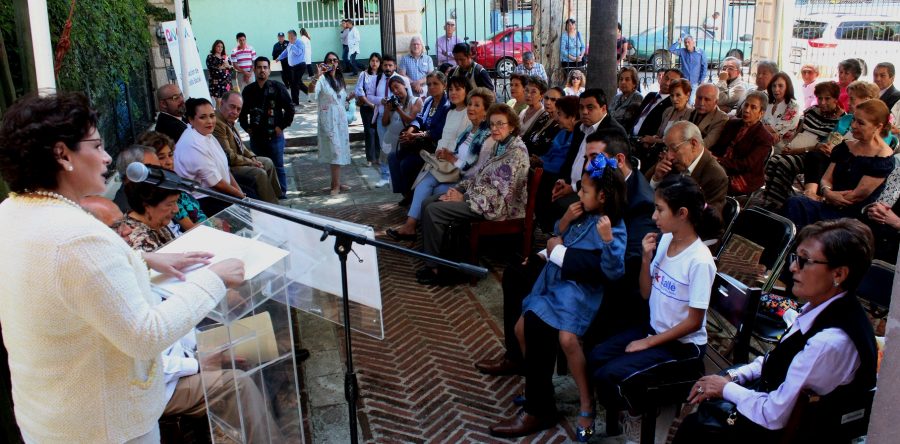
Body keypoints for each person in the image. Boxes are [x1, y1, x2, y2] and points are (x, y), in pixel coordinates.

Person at [0, 92, 244, 443]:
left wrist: (142, 258)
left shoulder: (15, 211)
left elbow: (63, 278)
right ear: (61, 154)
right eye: (96, 145)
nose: (106, 157)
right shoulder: (77, 238)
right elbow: (145, 335)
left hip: (51, 416)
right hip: (104, 426)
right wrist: (213, 278)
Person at [673, 219, 878, 444]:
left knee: (695, 429)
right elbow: (778, 361)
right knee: (700, 408)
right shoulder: (820, 309)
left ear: (838, 274)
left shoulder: (830, 341)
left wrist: (726, 389)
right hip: (774, 405)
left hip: (789, 433)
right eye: (794, 258)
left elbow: (773, 415)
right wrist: (734, 376)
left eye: (804, 261)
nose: (792, 268)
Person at [490, 156, 627, 440]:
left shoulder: (610, 225)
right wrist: (563, 223)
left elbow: (612, 270)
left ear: (602, 196)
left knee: (564, 338)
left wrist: (606, 240)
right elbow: (561, 237)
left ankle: (581, 404)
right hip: (556, 283)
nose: (579, 194)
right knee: (520, 328)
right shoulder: (582, 213)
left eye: (585, 190)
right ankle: (539, 390)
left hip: (578, 293)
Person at [591, 175, 719, 440]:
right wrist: (646, 259)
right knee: (597, 356)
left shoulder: (699, 261)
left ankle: (641, 415)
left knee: (610, 375)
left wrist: (648, 343)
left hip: (683, 347)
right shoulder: (663, 241)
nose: (654, 215)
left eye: (660, 209)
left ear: (682, 213)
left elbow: (694, 322)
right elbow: (647, 292)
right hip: (654, 329)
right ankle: (638, 408)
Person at [417, 104, 529, 285]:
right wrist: (460, 189)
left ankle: (436, 267)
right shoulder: (500, 146)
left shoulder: (515, 152)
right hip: (481, 198)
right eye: (492, 124)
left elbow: (500, 192)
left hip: (497, 207)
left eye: (500, 124)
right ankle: (436, 256)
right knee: (428, 201)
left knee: (434, 210)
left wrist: (463, 198)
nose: (495, 128)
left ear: (512, 126)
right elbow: (480, 176)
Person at [386, 86, 490, 241]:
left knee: (432, 189)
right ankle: (415, 227)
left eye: (477, 105)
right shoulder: (469, 130)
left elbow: (472, 169)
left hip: (466, 182)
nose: (471, 108)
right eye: (470, 104)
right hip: (454, 174)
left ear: (486, 111)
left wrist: (451, 158)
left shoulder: (485, 135)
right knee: (428, 182)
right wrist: (447, 155)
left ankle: (416, 227)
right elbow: (457, 152)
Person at [784, 99, 894, 229]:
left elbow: (856, 196)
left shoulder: (882, 157)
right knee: (793, 203)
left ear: (878, 127)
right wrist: (827, 192)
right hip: (829, 202)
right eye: (854, 119)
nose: (853, 125)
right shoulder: (846, 146)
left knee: (808, 218)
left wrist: (826, 197)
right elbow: (826, 178)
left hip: (851, 217)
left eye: (860, 123)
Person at [759, 81, 845, 211]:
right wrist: (789, 145)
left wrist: (797, 150)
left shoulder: (841, 120)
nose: (822, 102)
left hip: (814, 156)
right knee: (774, 160)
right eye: (820, 98)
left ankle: (778, 203)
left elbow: (822, 147)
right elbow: (799, 131)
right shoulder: (811, 111)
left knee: (783, 163)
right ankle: (770, 200)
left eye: (827, 98)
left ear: (835, 99)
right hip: (796, 149)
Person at [547, 89, 628, 226]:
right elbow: (570, 159)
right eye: (581, 107)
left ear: (603, 109)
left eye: (590, 107)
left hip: (593, 193)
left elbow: (603, 173)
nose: (584, 112)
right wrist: (562, 181)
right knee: (546, 189)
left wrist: (573, 188)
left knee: (560, 204)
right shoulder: (580, 127)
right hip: (573, 185)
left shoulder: (613, 132)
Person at [174, 97, 246, 217]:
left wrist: (241, 194)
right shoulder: (193, 144)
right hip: (202, 201)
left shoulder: (207, 135)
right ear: (191, 120)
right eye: (203, 117)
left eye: (212, 116)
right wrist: (241, 197)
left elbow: (225, 169)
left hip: (218, 193)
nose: (210, 121)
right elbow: (216, 183)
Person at [239, 56, 294, 198]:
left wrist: (281, 127)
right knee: (259, 166)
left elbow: (290, 109)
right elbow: (242, 112)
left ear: (269, 70)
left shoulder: (277, 87)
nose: (262, 70)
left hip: (274, 136)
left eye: (265, 67)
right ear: (254, 70)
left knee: (278, 165)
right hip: (256, 137)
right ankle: (266, 193)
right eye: (259, 67)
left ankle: (281, 194)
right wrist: (247, 128)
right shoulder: (248, 91)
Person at [213, 91, 282, 204]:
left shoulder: (227, 119)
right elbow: (229, 156)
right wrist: (250, 162)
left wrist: (252, 157)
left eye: (238, 109)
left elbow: (241, 145)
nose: (235, 112)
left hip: (238, 159)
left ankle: (276, 198)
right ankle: (271, 206)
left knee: (267, 162)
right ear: (222, 103)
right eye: (232, 107)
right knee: (259, 173)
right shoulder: (218, 123)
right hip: (230, 167)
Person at [393, 71, 451, 201]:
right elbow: (419, 118)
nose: (431, 87)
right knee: (393, 157)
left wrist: (415, 135)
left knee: (407, 163)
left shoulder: (447, 106)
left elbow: (438, 132)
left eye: (435, 84)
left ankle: (411, 196)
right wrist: (411, 130)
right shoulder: (429, 100)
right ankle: (405, 192)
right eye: (429, 84)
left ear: (444, 85)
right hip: (419, 142)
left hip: (433, 146)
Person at [649, 121, 729, 214]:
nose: (669, 156)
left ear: (693, 144)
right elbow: (642, 190)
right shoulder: (669, 162)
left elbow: (709, 220)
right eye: (667, 149)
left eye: (674, 149)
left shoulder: (716, 177)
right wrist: (656, 178)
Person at [137, 131, 208, 230]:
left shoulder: (173, 181)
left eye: (170, 155)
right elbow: (191, 228)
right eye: (161, 157)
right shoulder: (158, 191)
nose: (169, 162)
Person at [710, 91, 775, 195]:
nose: (747, 110)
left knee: (711, 182)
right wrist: (711, 157)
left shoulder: (764, 137)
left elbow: (747, 164)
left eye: (753, 107)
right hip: (719, 165)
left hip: (743, 175)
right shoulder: (732, 123)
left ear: (761, 113)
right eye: (746, 105)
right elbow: (718, 147)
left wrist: (719, 160)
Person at [309, 51, 353, 195]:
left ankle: (338, 183)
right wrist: (317, 76)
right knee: (334, 152)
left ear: (338, 63)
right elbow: (310, 94)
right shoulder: (322, 79)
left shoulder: (340, 80)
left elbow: (341, 100)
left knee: (340, 152)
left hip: (341, 121)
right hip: (328, 120)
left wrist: (349, 99)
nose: (332, 63)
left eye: (335, 60)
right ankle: (335, 186)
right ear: (325, 63)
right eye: (329, 61)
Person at [382, 76, 422, 194]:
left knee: (405, 166)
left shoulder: (416, 100)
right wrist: (387, 109)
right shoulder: (394, 103)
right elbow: (384, 123)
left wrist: (398, 109)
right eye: (392, 89)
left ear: (404, 85)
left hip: (410, 143)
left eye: (397, 87)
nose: (395, 91)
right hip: (394, 142)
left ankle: (408, 194)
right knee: (393, 164)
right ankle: (403, 194)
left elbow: (411, 120)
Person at [122, 181, 179, 252]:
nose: (176, 209)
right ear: (147, 206)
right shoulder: (139, 243)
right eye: (169, 204)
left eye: (176, 202)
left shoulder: (155, 218)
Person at [633, 69, 683, 141]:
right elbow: (637, 116)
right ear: (661, 78)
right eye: (666, 78)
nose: (667, 83)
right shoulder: (650, 95)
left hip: (644, 143)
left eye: (672, 81)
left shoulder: (672, 105)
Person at [641, 78, 693, 147]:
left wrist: (654, 140)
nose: (674, 99)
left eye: (678, 95)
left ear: (687, 95)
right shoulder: (668, 111)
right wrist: (653, 138)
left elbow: (680, 141)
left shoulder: (691, 113)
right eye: (672, 95)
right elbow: (659, 134)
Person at [763, 71, 803, 153]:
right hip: (762, 141)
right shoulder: (767, 102)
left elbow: (778, 132)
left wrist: (761, 127)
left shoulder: (793, 106)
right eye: (774, 86)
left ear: (787, 87)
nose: (776, 89)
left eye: (780, 86)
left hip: (780, 149)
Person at [356, 52, 383, 166]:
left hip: (380, 108)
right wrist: (370, 104)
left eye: (377, 61)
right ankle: (370, 158)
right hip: (367, 108)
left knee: (378, 132)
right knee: (369, 132)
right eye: (372, 61)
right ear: (369, 62)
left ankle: (378, 157)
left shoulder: (382, 75)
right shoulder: (364, 74)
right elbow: (359, 91)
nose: (374, 63)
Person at [522, 84, 562, 156]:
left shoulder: (560, 124)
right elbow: (526, 138)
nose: (548, 102)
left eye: (553, 100)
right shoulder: (543, 117)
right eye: (546, 98)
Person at [688, 83, 729, 148]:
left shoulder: (721, 119)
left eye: (707, 99)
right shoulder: (690, 111)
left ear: (716, 102)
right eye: (699, 98)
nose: (701, 103)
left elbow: (704, 145)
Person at [275, 30, 309, 106]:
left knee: (294, 84)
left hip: (300, 66)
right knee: (298, 83)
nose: (289, 38)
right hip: (293, 67)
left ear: (294, 36)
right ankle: (310, 93)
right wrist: (279, 58)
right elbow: (286, 52)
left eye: (290, 36)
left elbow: (299, 52)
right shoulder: (290, 43)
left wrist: (293, 45)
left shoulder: (299, 42)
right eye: (288, 36)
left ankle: (295, 101)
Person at [610, 66, 644, 135]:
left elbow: (625, 118)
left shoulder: (637, 97)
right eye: (621, 79)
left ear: (634, 83)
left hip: (623, 135)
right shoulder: (617, 97)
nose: (623, 82)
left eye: (627, 79)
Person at [207, 39, 234, 109]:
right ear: (214, 47)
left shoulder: (225, 57)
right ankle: (217, 118)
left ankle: (224, 117)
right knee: (218, 101)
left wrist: (228, 66)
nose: (220, 48)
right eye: (218, 46)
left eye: (222, 47)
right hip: (216, 83)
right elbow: (211, 68)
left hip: (226, 82)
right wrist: (221, 67)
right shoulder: (211, 57)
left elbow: (231, 69)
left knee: (226, 101)